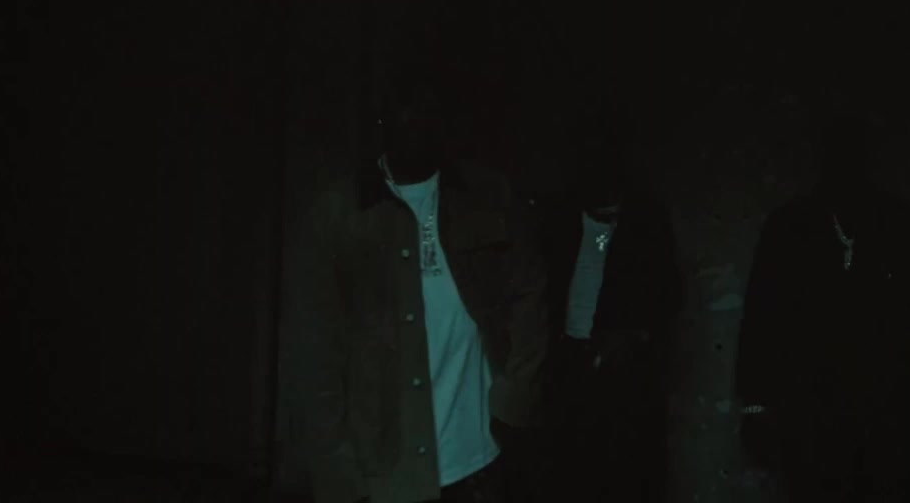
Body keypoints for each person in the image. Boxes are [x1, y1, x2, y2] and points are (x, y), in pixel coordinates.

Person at [290, 76, 548, 503]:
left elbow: (529, 293)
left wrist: (515, 397)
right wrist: (337, 467)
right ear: (381, 122)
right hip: (387, 473)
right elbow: (316, 351)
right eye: (402, 109)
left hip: (481, 461)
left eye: (426, 109)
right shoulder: (339, 215)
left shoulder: (486, 195)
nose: (414, 122)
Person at [736, 113, 910, 502]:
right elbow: (762, 320)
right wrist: (755, 407)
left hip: (891, 420)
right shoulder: (790, 229)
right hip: (817, 422)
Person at [533, 135, 683, 503]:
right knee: (572, 473)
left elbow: (668, 297)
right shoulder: (561, 220)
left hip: (627, 376)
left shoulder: (646, 223)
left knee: (628, 474)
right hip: (569, 365)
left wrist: (631, 339)